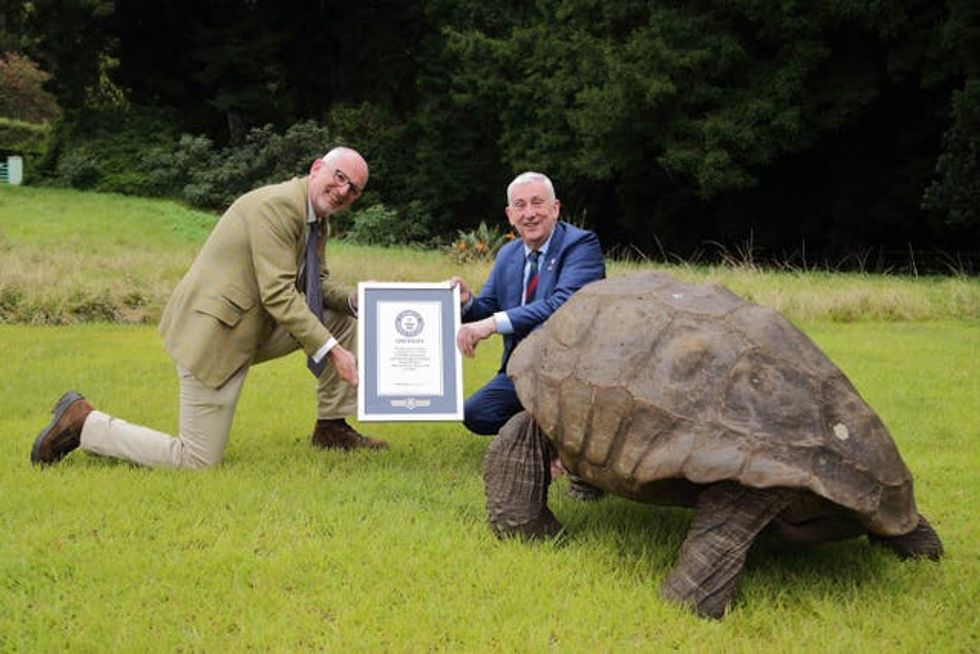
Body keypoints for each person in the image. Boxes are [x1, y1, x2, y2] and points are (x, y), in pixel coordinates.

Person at [31, 146, 387, 469]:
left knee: (341, 317)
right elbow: (278, 292)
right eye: (339, 178)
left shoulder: (316, 220)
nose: (344, 191)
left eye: (354, 189)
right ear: (316, 168)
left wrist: (360, 299)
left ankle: (332, 429)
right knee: (197, 459)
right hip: (215, 332)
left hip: (250, 323)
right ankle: (84, 425)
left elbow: (316, 285)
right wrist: (333, 352)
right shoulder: (279, 206)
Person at [452, 171, 605, 433]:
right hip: (521, 369)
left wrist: (490, 325)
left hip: (568, 371)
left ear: (555, 208)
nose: (529, 213)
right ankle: (544, 427)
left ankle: (557, 430)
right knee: (476, 414)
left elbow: (563, 304)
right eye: (520, 206)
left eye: (537, 202)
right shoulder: (508, 253)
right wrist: (466, 302)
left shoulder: (581, 245)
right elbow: (486, 307)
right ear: (510, 215)